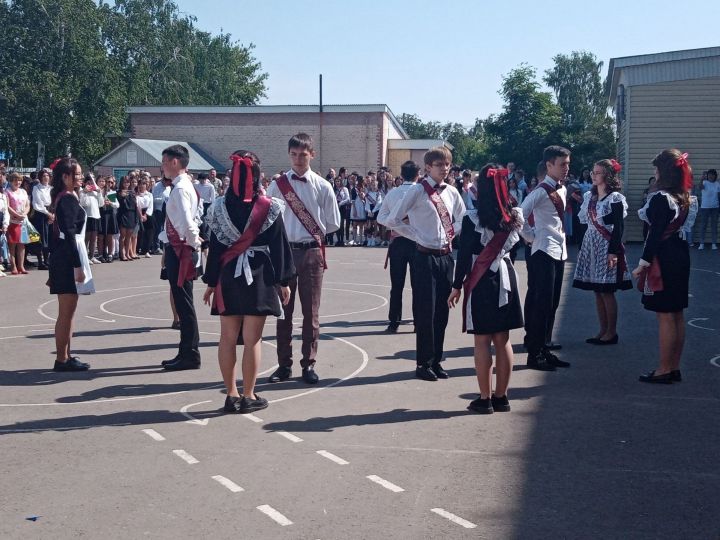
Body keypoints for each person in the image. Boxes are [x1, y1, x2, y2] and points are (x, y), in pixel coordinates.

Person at [203, 150, 295, 413]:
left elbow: (217, 247)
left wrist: (211, 282)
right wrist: (283, 281)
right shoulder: (270, 207)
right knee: (252, 339)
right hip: (259, 276)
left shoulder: (219, 207)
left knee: (227, 337)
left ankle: (231, 394)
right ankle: (249, 395)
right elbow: (279, 246)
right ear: (256, 176)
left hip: (227, 277)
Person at [379, 146, 466, 381]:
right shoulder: (418, 191)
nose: (444, 168)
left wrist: (452, 233)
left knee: (442, 312)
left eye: (447, 164)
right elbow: (391, 219)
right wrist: (415, 234)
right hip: (424, 256)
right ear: (427, 167)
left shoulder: (452, 192)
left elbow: (463, 218)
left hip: (446, 256)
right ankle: (423, 363)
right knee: (425, 312)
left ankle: (437, 360)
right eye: (439, 165)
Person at [448, 164, 524, 413]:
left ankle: (484, 398)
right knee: (503, 339)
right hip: (505, 277)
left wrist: (457, 286)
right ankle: (502, 396)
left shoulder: (472, 218)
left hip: (481, 279)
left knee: (482, 340)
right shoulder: (514, 216)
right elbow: (513, 252)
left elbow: (465, 255)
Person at [266, 133, 341, 384]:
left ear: (312, 155)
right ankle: (283, 365)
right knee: (283, 312)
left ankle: (308, 364)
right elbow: (268, 219)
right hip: (284, 252)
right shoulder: (277, 185)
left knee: (311, 312)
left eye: (303, 154)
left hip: (311, 252)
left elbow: (332, 223)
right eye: (294, 154)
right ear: (289, 155)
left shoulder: (323, 186)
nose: (298, 159)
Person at [632, 149, 696, 384]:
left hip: (664, 257)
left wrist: (642, 264)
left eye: (657, 168)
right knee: (676, 313)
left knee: (666, 316)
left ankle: (664, 369)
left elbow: (654, 234)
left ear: (664, 172)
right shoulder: (683, 195)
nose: (654, 172)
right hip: (679, 254)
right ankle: (674, 366)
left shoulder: (661, 198)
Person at [520, 146, 572, 371]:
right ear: (549, 165)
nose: (566, 168)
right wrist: (531, 237)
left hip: (559, 251)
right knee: (541, 303)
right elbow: (519, 215)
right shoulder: (541, 191)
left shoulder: (562, 189)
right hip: (543, 251)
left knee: (552, 303)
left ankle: (543, 347)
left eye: (568, 164)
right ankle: (535, 353)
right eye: (562, 164)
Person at [572, 159, 632, 345]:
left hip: (607, 246)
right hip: (591, 244)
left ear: (607, 175)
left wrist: (613, 252)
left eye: (597, 172)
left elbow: (618, 227)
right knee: (597, 291)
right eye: (593, 172)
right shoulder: (589, 197)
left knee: (606, 290)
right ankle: (602, 329)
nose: (594, 175)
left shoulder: (615, 198)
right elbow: (584, 223)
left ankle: (611, 332)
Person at [47, 157, 95, 371]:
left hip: (66, 255)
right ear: (65, 176)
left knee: (69, 311)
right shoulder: (67, 198)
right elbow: (68, 233)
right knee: (66, 312)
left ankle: (65, 355)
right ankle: (61, 359)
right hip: (68, 257)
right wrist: (77, 266)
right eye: (76, 174)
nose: (80, 177)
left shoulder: (67, 196)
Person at [158, 144, 203, 371]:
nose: (163, 166)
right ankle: (186, 351)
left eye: (165, 162)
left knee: (184, 305)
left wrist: (195, 244)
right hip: (180, 248)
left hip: (181, 250)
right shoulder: (185, 186)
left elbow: (187, 221)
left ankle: (190, 353)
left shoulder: (180, 189)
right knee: (184, 303)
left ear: (175, 162)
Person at [378, 160, 420, 333]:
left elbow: (381, 218)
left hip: (398, 242)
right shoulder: (421, 192)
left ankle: (394, 321)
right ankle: (419, 321)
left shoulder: (393, 193)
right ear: (418, 175)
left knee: (397, 285)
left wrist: (395, 224)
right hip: (418, 242)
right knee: (419, 285)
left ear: (401, 176)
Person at [5, 172, 30, 275]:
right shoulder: (7, 192)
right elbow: (7, 206)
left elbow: (28, 205)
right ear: (11, 181)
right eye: (15, 180)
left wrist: (24, 213)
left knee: (22, 244)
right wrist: (17, 215)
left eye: (19, 180)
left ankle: (21, 266)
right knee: (12, 244)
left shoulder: (23, 191)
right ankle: (13, 266)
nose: (18, 182)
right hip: (13, 221)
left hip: (23, 221)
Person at [31, 168, 54, 270]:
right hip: (41, 214)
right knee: (41, 239)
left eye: (47, 176)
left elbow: (53, 201)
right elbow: (37, 204)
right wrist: (47, 213)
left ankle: (47, 260)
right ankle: (40, 262)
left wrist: (52, 214)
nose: (46, 178)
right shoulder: (37, 188)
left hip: (51, 213)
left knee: (49, 237)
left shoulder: (51, 188)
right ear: (40, 177)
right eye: (44, 176)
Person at [79, 173, 103, 264]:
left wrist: (99, 192)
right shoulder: (82, 192)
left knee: (94, 238)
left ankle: (92, 256)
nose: (90, 185)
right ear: (85, 183)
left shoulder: (96, 192)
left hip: (96, 216)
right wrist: (85, 192)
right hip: (88, 217)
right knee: (87, 238)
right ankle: (85, 257)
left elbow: (101, 204)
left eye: (92, 183)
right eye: (88, 182)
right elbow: (83, 203)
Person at [116, 176, 139, 261]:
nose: (126, 184)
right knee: (123, 236)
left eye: (128, 182)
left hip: (131, 214)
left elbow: (135, 205)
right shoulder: (119, 192)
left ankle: (127, 253)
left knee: (129, 235)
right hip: (123, 214)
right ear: (122, 183)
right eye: (125, 182)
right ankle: (122, 254)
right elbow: (118, 203)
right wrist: (121, 196)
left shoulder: (132, 192)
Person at [98, 176, 119, 262]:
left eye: (110, 182)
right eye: (107, 182)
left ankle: (110, 254)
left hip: (109, 215)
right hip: (101, 214)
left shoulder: (111, 193)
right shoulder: (99, 192)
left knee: (110, 236)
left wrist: (110, 202)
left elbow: (117, 205)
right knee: (101, 236)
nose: (109, 184)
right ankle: (101, 254)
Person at [696, 168, 719, 250]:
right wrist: (702, 178)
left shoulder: (717, 184)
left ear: (715, 176)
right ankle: (701, 243)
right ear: (707, 175)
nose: (711, 176)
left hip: (715, 208)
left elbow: (719, 196)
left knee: (714, 226)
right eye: (709, 174)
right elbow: (700, 187)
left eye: (712, 174)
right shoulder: (704, 182)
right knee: (703, 225)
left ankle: (714, 243)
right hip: (705, 207)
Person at [136, 177, 154, 257]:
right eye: (140, 184)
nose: (142, 186)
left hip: (148, 214)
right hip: (139, 213)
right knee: (140, 232)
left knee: (149, 232)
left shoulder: (149, 194)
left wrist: (146, 215)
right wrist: (141, 216)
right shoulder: (136, 195)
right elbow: (137, 205)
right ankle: (137, 249)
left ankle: (146, 250)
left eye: (144, 184)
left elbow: (151, 206)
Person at [364, 177, 383, 247]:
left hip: (376, 210)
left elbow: (379, 203)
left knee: (375, 226)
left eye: (375, 185)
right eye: (372, 185)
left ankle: (373, 239)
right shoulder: (368, 194)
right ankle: (369, 239)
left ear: (377, 186)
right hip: (369, 210)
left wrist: (373, 211)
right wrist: (369, 211)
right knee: (369, 226)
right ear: (370, 185)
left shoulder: (378, 194)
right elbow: (367, 203)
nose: (374, 186)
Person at [333, 176, 351, 246]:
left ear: (341, 182)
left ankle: (342, 240)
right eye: (336, 181)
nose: (337, 183)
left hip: (342, 207)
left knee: (342, 224)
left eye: (338, 181)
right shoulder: (334, 189)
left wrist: (340, 203)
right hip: (336, 207)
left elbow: (348, 199)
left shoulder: (344, 189)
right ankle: (338, 240)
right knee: (337, 224)